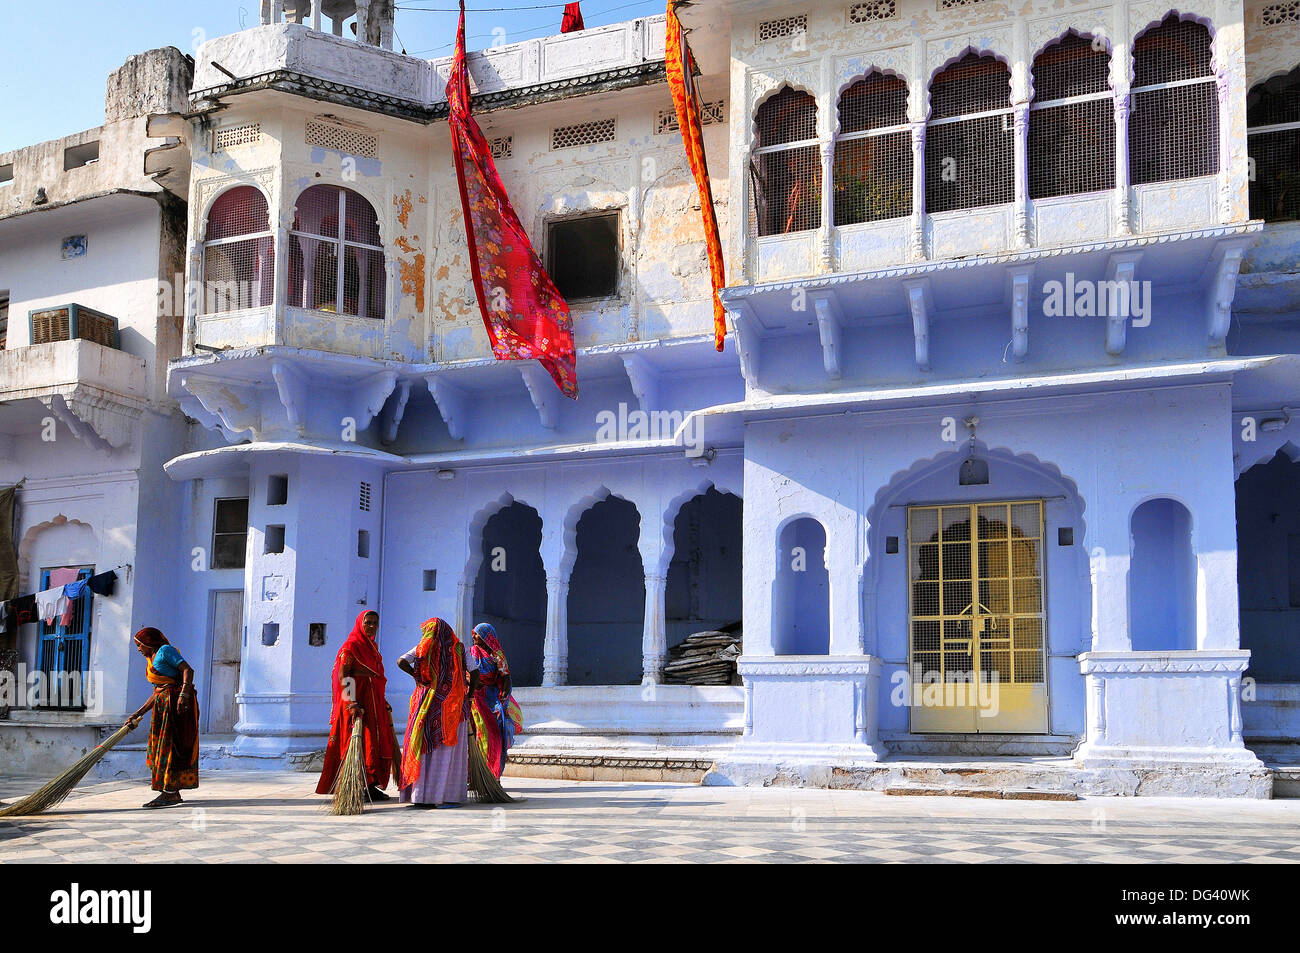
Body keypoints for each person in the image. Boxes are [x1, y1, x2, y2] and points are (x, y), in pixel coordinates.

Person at [316, 609, 399, 801]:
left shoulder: (373, 647)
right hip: (356, 702)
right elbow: (343, 676)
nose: (371, 626)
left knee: (373, 744)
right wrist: (352, 702)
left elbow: (375, 678)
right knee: (358, 744)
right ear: (359, 624)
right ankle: (355, 785)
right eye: (368, 622)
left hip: (372, 703)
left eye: (374, 623)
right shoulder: (351, 647)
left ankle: (370, 786)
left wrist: (381, 700)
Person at [396, 617, 475, 807]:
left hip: (426, 705)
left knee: (424, 746)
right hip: (454, 708)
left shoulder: (423, 647)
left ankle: (421, 795)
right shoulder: (459, 648)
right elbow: (475, 672)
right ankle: (446, 795)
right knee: (449, 752)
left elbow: (401, 661)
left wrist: (420, 678)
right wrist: (469, 696)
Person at [126, 627, 199, 808]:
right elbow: (158, 692)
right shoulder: (151, 660)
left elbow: (188, 671)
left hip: (176, 705)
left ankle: (170, 793)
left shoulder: (166, 651)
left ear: (149, 643)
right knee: (161, 746)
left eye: (140, 645)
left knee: (172, 746)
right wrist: (138, 713)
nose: (138, 649)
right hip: (163, 706)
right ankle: (169, 789)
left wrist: (184, 695)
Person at [469, 623, 524, 778]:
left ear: (487, 637)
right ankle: (474, 775)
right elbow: (466, 674)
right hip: (474, 697)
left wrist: (504, 695)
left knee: (494, 734)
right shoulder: (470, 652)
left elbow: (505, 676)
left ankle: (492, 774)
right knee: (473, 735)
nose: (473, 637)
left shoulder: (497, 656)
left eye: (477, 634)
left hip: (491, 698)